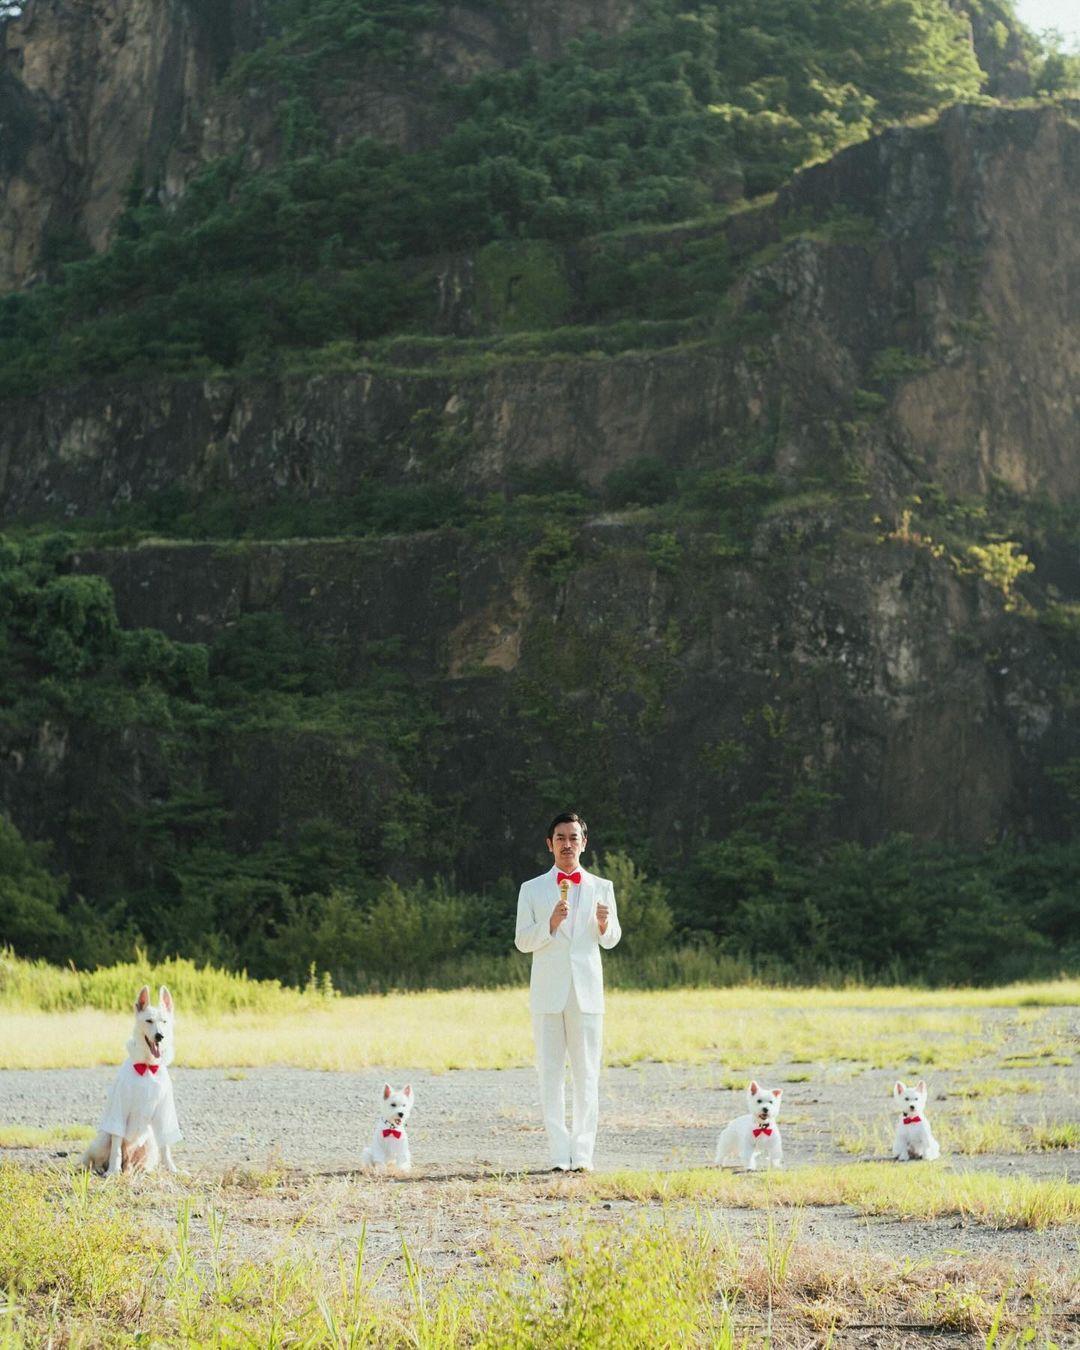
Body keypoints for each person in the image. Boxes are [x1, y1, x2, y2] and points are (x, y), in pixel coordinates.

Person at [514, 811, 621, 1172]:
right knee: (550, 1074)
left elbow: (611, 939)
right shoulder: (532, 889)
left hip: (587, 992)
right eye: (560, 837)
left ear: (584, 843)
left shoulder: (602, 887)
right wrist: (550, 924)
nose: (567, 844)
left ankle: (584, 1154)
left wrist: (605, 925)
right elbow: (522, 941)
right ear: (550, 844)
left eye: (573, 837)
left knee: (587, 1074)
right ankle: (560, 1154)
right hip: (547, 992)